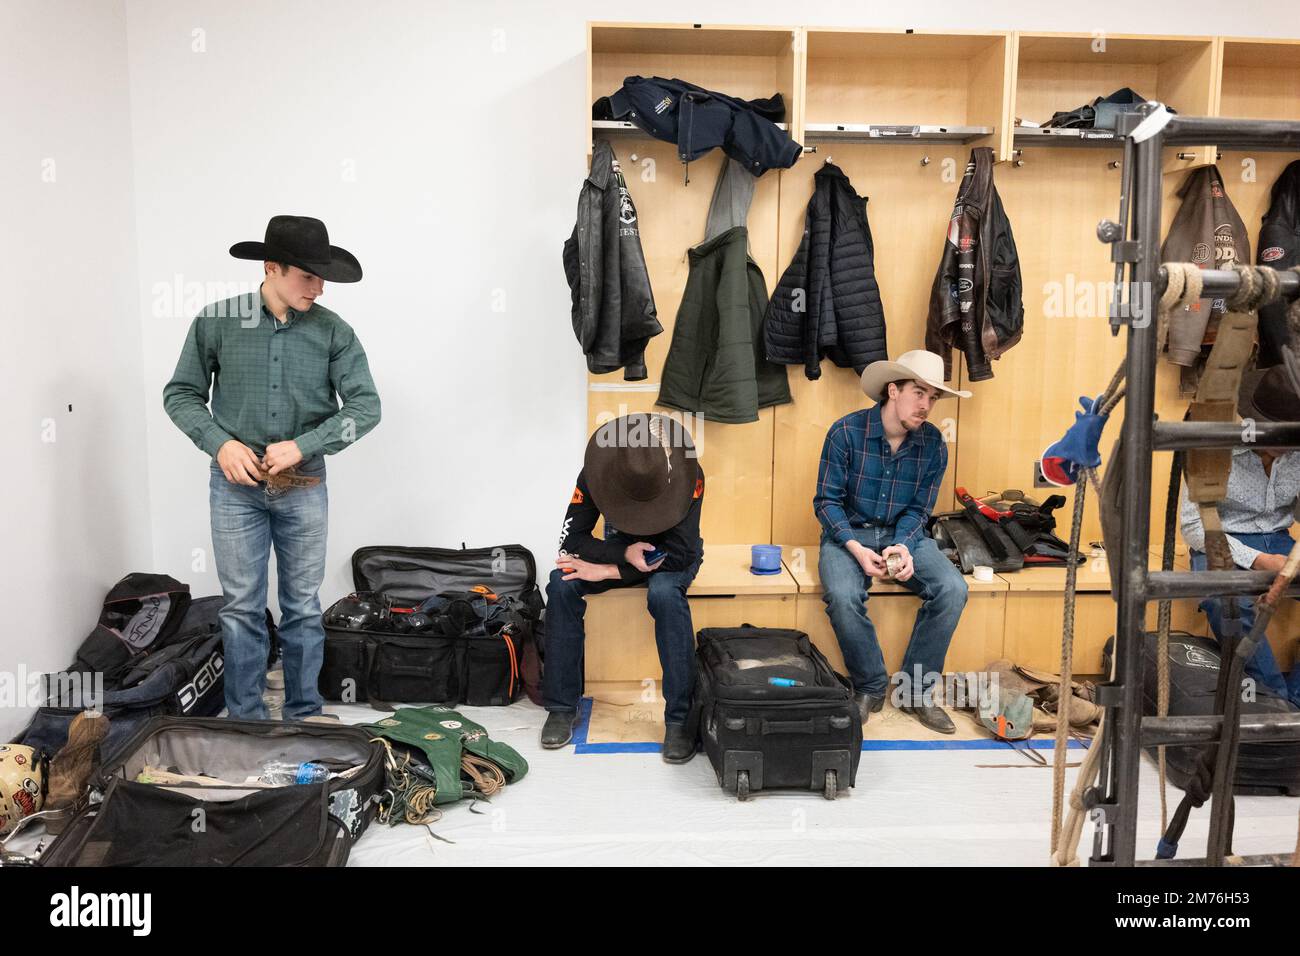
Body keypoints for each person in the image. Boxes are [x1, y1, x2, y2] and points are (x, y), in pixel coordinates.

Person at [163, 215, 380, 720]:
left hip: (304, 486)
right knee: (240, 608)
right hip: (233, 489)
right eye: (308, 275)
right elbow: (181, 394)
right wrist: (220, 444)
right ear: (271, 268)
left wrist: (304, 444)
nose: (319, 286)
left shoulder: (334, 332)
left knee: (303, 605)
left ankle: (304, 716)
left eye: (322, 276)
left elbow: (366, 407)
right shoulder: (216, 321)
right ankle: (246, 721)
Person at [814, 349, 970, 733]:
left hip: (904, 535)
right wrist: (855, 547)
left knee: (952, 588)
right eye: (919, 393)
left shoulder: (933, 444)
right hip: (848, 535)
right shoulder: (845, 432)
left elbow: (920, 510)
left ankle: (915, 692)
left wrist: (903, 544)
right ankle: (869, 686)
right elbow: (826, 502)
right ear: (893, 390)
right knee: (843, 597)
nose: (927, 406)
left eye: (933, 398)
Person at [541, 413, 705, 761]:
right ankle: (561, 706)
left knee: (663, 593)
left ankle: (679, 719)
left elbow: (679, 554)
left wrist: (611, 571)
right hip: (622, 548)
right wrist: (622, 554)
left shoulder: (692, 475)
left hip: (672, 553)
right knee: (560, 583)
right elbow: (571, 541)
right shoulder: (595, 472)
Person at [1180, 363, 1300, 705]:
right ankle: (1276, 702)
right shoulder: (1215, 447)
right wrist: (1260, 559)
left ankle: (1296, 702)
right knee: (1226, 602)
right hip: (1221, 540)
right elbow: (1194, 526)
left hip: (1281, 539)